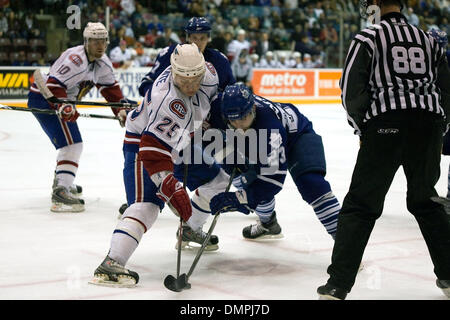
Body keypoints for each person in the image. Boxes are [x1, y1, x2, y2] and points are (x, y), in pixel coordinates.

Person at [317, 0, 450, 300]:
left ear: (376, 4)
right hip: (428, 125)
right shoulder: (429, 39)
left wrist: (363, 128)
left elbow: (351, 90)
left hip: (386, 125)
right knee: (427, 201)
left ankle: (338, 285)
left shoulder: (368, 37)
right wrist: (439, 126)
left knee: (361, 206)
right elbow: (447, 89)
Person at [89, 43, 222, 287]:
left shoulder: (210, 74)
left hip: (179, 142)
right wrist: (171, 187)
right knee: (147, 206)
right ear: (173, 72)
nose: (191, 86)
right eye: (184, 80)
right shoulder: (168, 101)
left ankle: (190, 230)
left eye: (196, 79)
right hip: (144, 146)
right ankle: (112, 263)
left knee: (218, 179)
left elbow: (214, 102)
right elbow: (153, 153)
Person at [207, 84, 341, 241]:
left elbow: (272, 182)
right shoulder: (217, 108)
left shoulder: (270, 128)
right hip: (256, 140)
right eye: (233, 120)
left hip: (297, 136)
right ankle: (268, 224)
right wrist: (229, 163)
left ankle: (346, 245)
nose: (239, 125)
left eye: (243, 118)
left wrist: (239, 198)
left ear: (254, 109)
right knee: (246, 180)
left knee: (312, 185)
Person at [28, 22, 131, 213]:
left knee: (72, 144)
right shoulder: (75, 59)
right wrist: (64, 105)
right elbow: (53, 86)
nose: (100, 46)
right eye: (95, 42)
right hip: (45, 99)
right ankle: (61, 191)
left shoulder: (103, 63)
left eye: (103, 41)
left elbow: (111, 90)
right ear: (86, 41)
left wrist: (120, 111)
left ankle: (63, 180)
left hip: (59, 101)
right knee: (72, 145)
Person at [138, 17, 235, 98]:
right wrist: (156, 99)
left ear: (208, 38)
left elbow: (230, 91)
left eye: (202, 38)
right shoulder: (169, 54)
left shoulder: (219, 60)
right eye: (194, 38)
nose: (198, 43)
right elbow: (146, 83)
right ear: (188, 37)